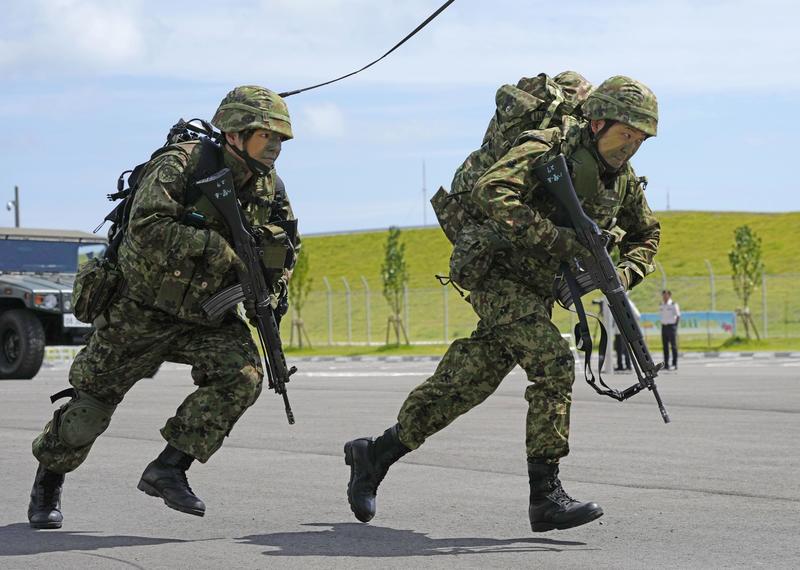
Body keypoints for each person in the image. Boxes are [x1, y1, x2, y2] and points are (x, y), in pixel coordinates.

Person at [344, 76, 661, 532]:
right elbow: (492, 190)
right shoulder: (547, 147)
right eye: (624, 133)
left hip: (535, 288)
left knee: (466, 382)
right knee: (553, 362)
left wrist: (621, 273)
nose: (630, 146)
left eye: (639, 139)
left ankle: (373, 455)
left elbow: (647, 234)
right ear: (597, 121)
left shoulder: (623, 182)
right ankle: (545, 497)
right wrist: (556, 239)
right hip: (495, 272)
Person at [27, 86, 299, 529]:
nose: (274, 146)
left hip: (206, 313)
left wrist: (274, 283)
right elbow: (147, 229)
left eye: (280, 139)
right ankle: (47, 484)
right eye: (265, 135)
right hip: (141, 307)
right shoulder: (181, 165)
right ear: (234, 133)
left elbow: (288, 243)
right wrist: (225, 251)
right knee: (89, 409)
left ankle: (170, 468)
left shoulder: (271, 186)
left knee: (243, 376)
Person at [613, 293, 641, 371]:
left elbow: (637, 315)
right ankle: (624, 365)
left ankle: (623, 365)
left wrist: (629, 324)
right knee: (623, 349)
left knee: (623, 349)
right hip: (619, 330)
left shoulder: (628, 303)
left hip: (622, 330)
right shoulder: (618, 302)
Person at [659, 289, 680, 370]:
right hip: (664, 327)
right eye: (663, 295)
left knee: (673, 346)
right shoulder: (661, 305)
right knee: (665, 347)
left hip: (671, 327)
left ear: (669, 295)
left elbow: (678, 316)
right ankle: (666, 364)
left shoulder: (673, 304)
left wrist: (675, 326)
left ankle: (674, 364)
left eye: (666, 295)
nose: (664, 297)